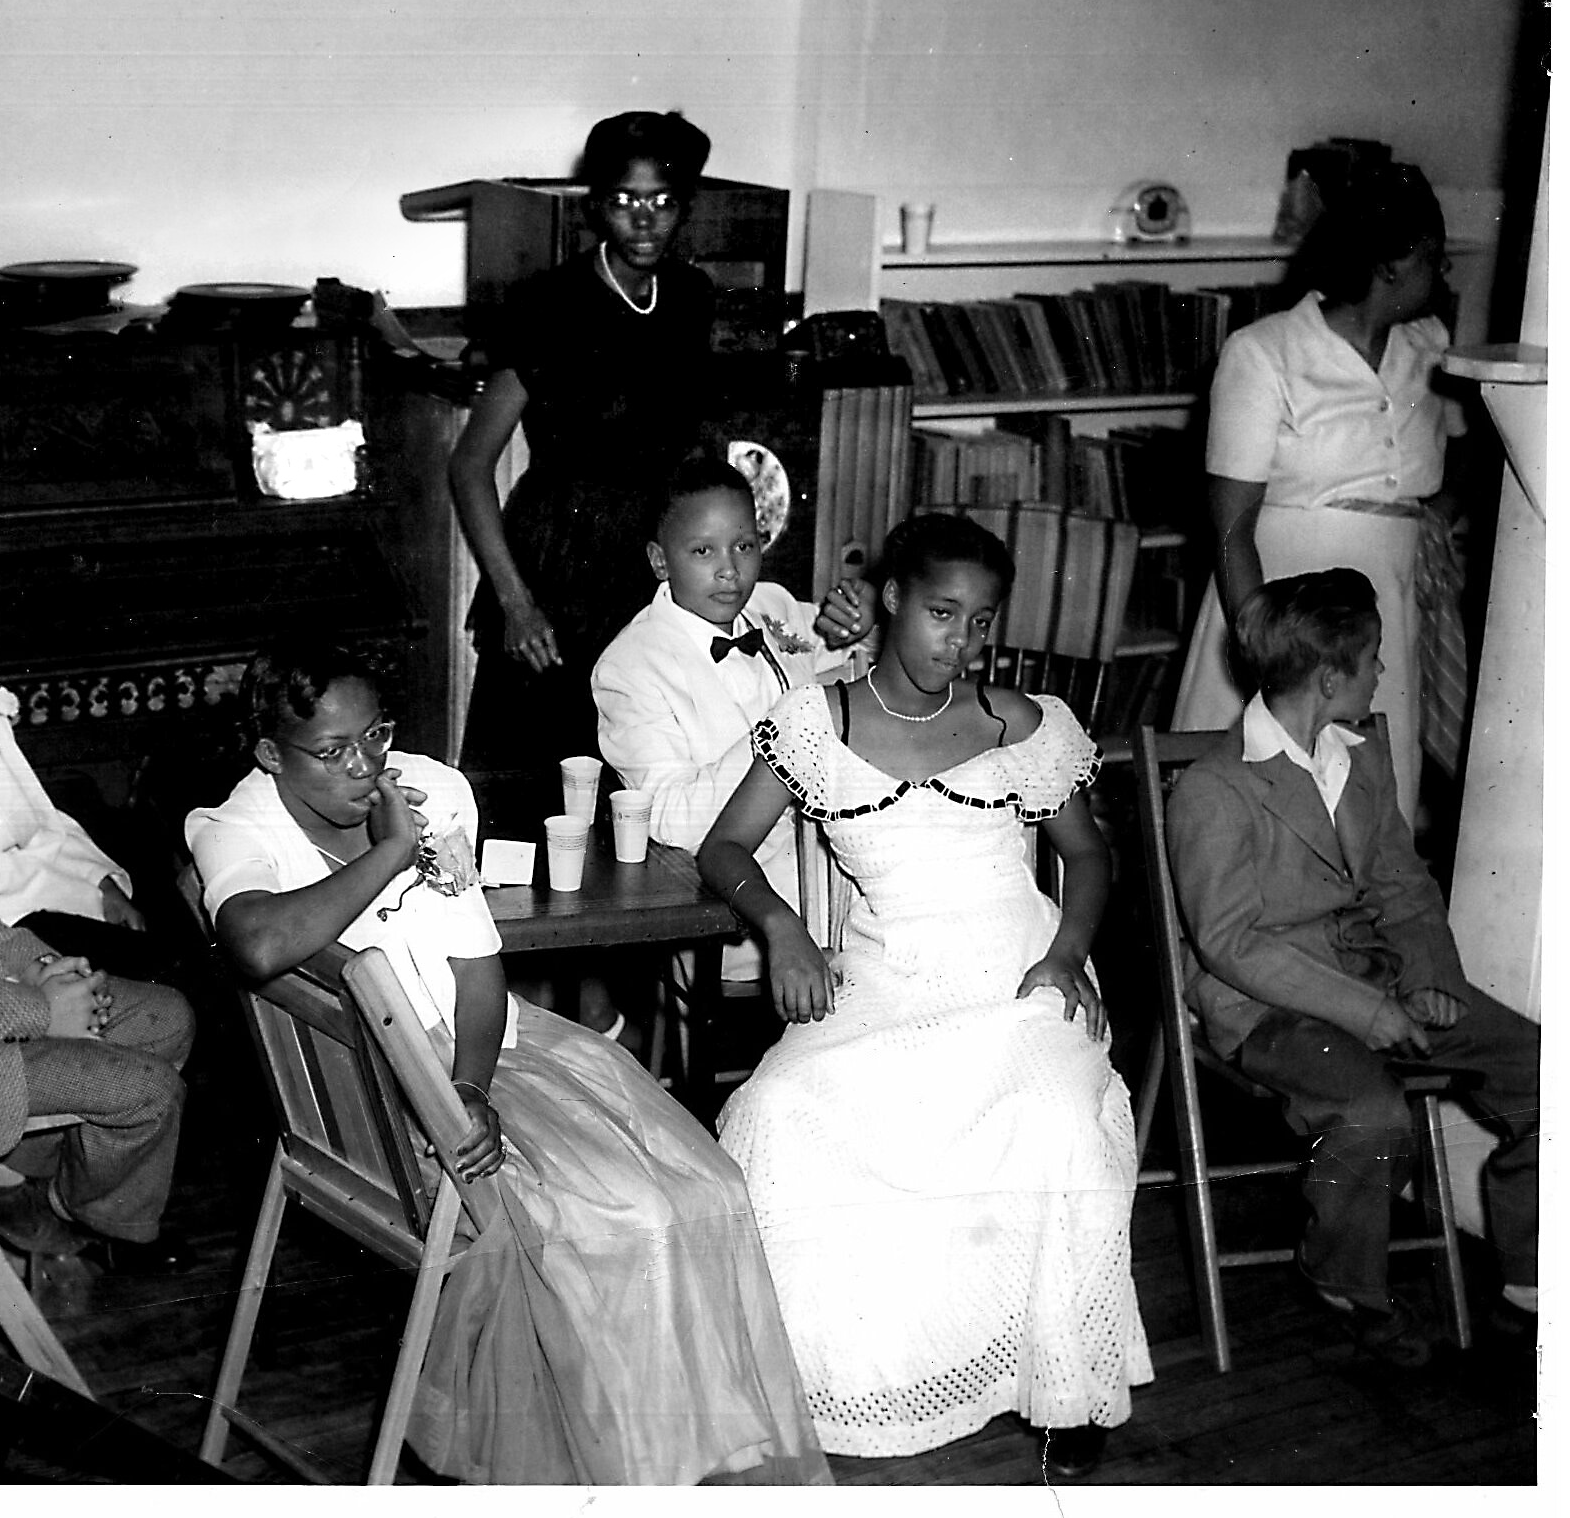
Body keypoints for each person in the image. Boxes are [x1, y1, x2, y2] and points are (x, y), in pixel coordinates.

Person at [184, 642, 829, 1487]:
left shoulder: (432, 788)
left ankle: (688, 1457)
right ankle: (629, 1468)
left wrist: (468, 1085)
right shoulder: (234, 826)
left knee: (710, 1187)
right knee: (623, 1216)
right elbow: (257, 943)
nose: (365, 765)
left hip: (479, 1057)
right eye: (332, 750)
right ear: (272, 753)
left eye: (375, 734)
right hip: (376, 1102)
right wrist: (391, 852)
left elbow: (478, 970)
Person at [696, 513, 1152, 1477]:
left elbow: (1086, 856)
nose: (962, 641)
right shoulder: (815, 722)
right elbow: (722, 846)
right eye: (943, 613)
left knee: (1056, 1114)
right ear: (893, 599)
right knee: (778, 1109)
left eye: (981, 621)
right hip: (888, 977)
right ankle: (842, 1378)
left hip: (1017, 971)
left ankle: (1065, 1385)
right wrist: (783, 928)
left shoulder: (1021, 723)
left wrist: (1067, 953)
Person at [1165, 569, 1538, 1363]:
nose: (1381, 670)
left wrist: (1429, 972)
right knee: (1371, 1110)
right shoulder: (1213, 787)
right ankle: (1344, 1281)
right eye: (1372, 656)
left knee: (1544, 1072)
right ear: (1330, 676)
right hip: (1267, 1004)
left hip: (1380, 979)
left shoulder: (1360, 759)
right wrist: (1367, 1013)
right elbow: (1230, 942)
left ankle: (1527, 1283)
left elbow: (1401, 882)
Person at [0, 600, 195, 1273]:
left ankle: (21, 1179)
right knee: (151, 1093)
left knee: (169, 1017)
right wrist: (40, 1010)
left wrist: (43, 967)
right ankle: (81, 1212)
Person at [1171, 163, 1467, 822]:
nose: (1441, 275)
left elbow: (1457, 463)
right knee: (1259, 809)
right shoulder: (1264, 352)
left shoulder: (1431, 347)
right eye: (1432, 259)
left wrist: (1432, 521)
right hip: (1282, 603)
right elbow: (1230, 527)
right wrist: (1266, 651)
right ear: (1389, 265)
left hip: (1386, 609)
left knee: (1368, 808)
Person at [450, 108, 717, 776]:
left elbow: (694, 443)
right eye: (625, 201)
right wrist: (516, 603)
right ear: (596, 206)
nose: (644, 221)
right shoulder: (549, 304)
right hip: (555, 577)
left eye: (662, 201)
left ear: (684, 208)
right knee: (533, 786)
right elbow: (470, 465)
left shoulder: (690, 297)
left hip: (648, 571)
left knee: (637, 781)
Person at [592, 457, 873, 984]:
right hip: (738, 919)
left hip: (843, 886)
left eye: (744, 546)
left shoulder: (771, 605)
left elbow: (862, 659)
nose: (729, 570)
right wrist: (786, 726)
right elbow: (669, 821)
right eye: (703, 551)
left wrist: (864, 615)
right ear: (659, 560)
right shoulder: (630, 666)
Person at [0, 532, 173, 981]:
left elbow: (41, 821)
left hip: (47, 903)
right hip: (6, 932)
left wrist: (101, 884)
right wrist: (86, 897)